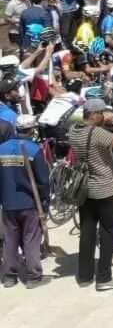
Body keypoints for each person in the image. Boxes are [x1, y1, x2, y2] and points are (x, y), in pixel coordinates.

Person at [68, 97, 113, 289]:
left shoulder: (74, 130)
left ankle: (85, 275)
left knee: (87, 231)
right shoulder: (97, 133)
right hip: (104, 188)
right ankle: (104, 277)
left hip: (84, 189)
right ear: (95, 115)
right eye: (102, 113)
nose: (105, 116)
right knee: (107, 232)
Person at [0, 114, 50, 288]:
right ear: (32, 130)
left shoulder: (2, 149)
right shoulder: (34, 150)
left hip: (7, 203)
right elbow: (43, 181)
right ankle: (34, 276)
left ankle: (9, 276)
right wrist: (45, 204)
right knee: (31, 238)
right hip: (29, 203)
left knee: (10, 239)